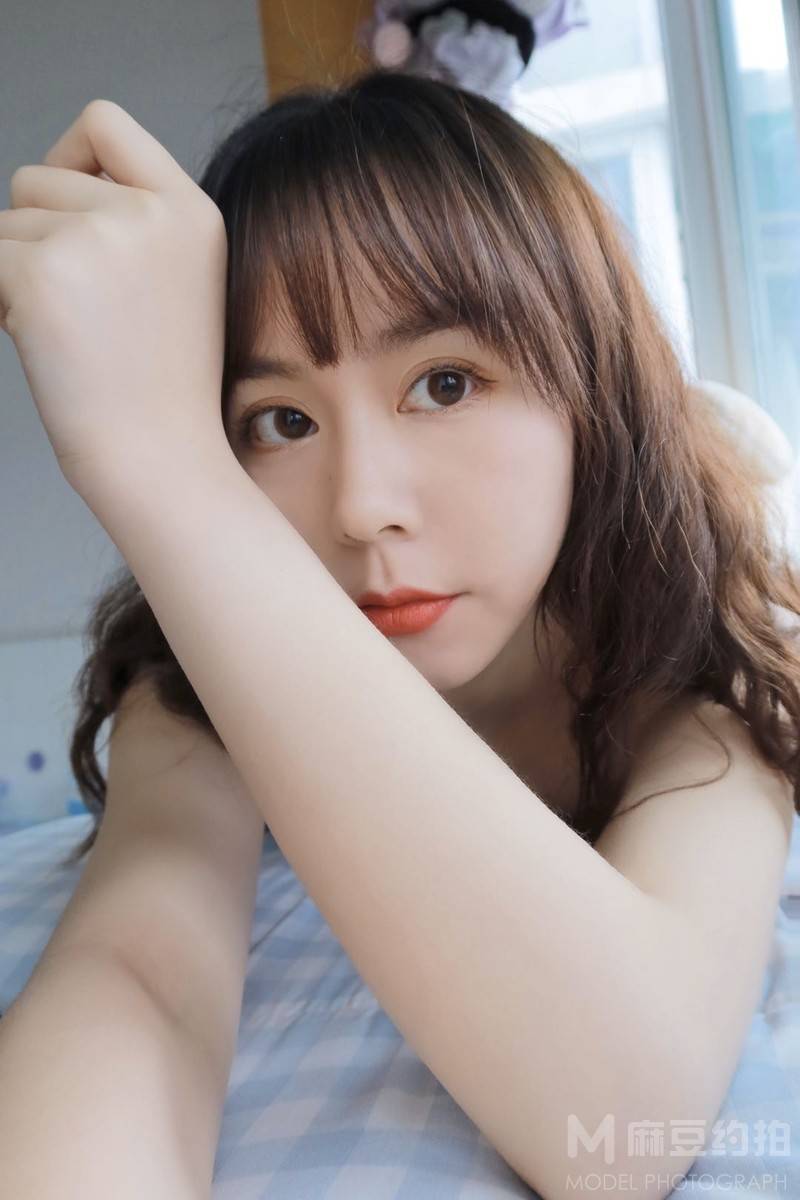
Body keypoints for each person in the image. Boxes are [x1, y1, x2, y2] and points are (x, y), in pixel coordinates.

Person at [1, 67, 799, 1198]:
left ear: (592, 386)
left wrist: (160, 459)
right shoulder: (203, 689)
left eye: (444, 384)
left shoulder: (701, 663)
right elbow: (139, 967)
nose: (362, 505)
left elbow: (618, 1123)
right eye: (280, 421)